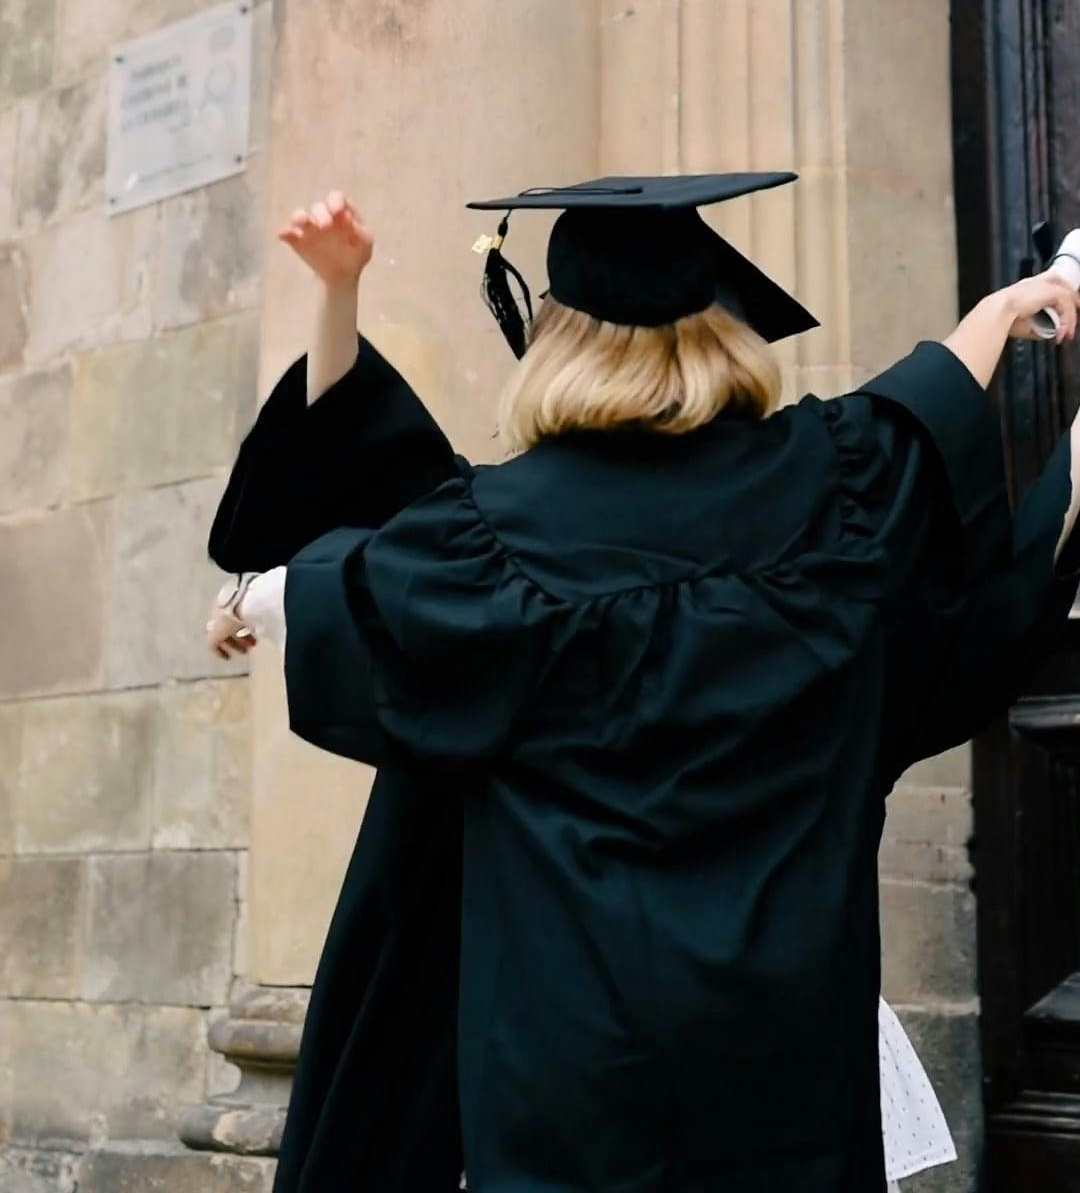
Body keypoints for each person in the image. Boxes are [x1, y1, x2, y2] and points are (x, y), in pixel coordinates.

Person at [207, 177, 1080, 1193]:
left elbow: (335, 573)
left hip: (573, 1059)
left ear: (556, 335)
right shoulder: (831, 485)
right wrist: (1016, 303)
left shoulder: (491, 541)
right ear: (721, 330)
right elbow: (923, 406)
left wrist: (251, 598)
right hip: (785, 1044)